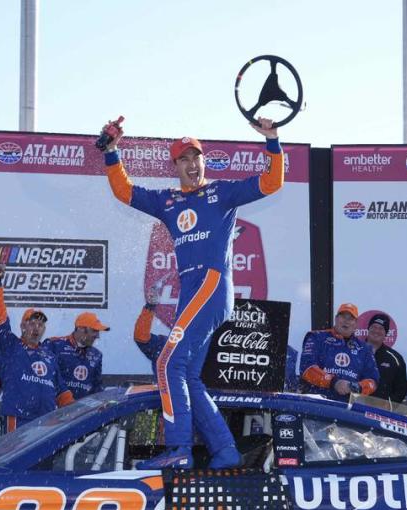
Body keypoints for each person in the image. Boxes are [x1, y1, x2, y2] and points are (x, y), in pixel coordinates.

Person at [101, 115, 283, 469]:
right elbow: (125, 191)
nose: (192, 164)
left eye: (196, 157)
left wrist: (272, 140)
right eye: (184, 159)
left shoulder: (222, 192)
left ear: (204, 160)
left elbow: (271, 182)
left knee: (167, 363)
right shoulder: (168, 202)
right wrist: (111, 152)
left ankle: (179, 450)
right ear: (176, 165)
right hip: (192, 292)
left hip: (212, 285)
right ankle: (225, 450)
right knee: (186, 374)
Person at [0, 264, 73, 431]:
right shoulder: (9, 345)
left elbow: (61, 389)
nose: (36, 327)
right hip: (18, 418)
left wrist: (74, 410)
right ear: (22, 326)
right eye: (32, 322)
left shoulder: (49, 355)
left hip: (46, 422)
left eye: (41, 324)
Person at [299, 303, 379, 402]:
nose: (346, 321)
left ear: (356, 324)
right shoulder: (317, 337)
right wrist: (333, 382)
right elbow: (307, 369)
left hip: (348, 407)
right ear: (336, 319)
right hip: (317, 402)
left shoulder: (364, 348)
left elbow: (373, 381)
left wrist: (358, 387)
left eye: (351, 318)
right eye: (343, 316)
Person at [46, 312, 109, 399]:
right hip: (57, 408)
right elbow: (44, 378)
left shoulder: (96, 355)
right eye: (94, 331)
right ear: (81, 329)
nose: (97, 336)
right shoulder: (55, 345)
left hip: (81, 410)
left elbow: (96, 388)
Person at [366, 314, 407, 403]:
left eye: (381, 328)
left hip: (382, 413)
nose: (376, 331)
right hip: (356, 410)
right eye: (374, 327)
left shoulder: (395, 358)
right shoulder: (355, 351)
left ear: (386, 333)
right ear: (368, 329)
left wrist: (387, 405)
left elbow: (401, 390)